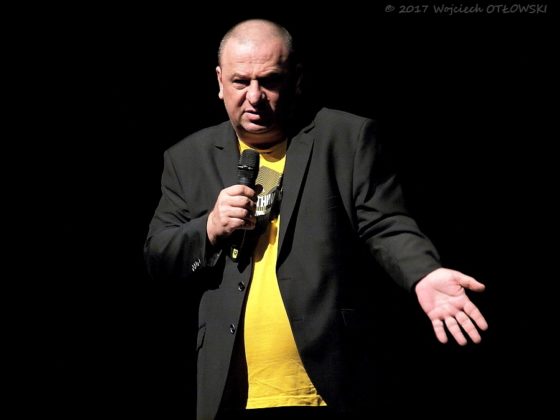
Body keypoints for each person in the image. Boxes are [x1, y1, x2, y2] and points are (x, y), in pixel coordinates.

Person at [144, 18, 488, 419]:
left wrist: (423, 273)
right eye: (240, 82)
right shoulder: (187, 158)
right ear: (220, 81)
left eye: (269, 81)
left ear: (296, 79)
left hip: (329, 387)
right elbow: (159, 257)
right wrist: (209, 229)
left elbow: (385, 224)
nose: (254, 96)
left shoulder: (344, 138)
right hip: (230, 394)